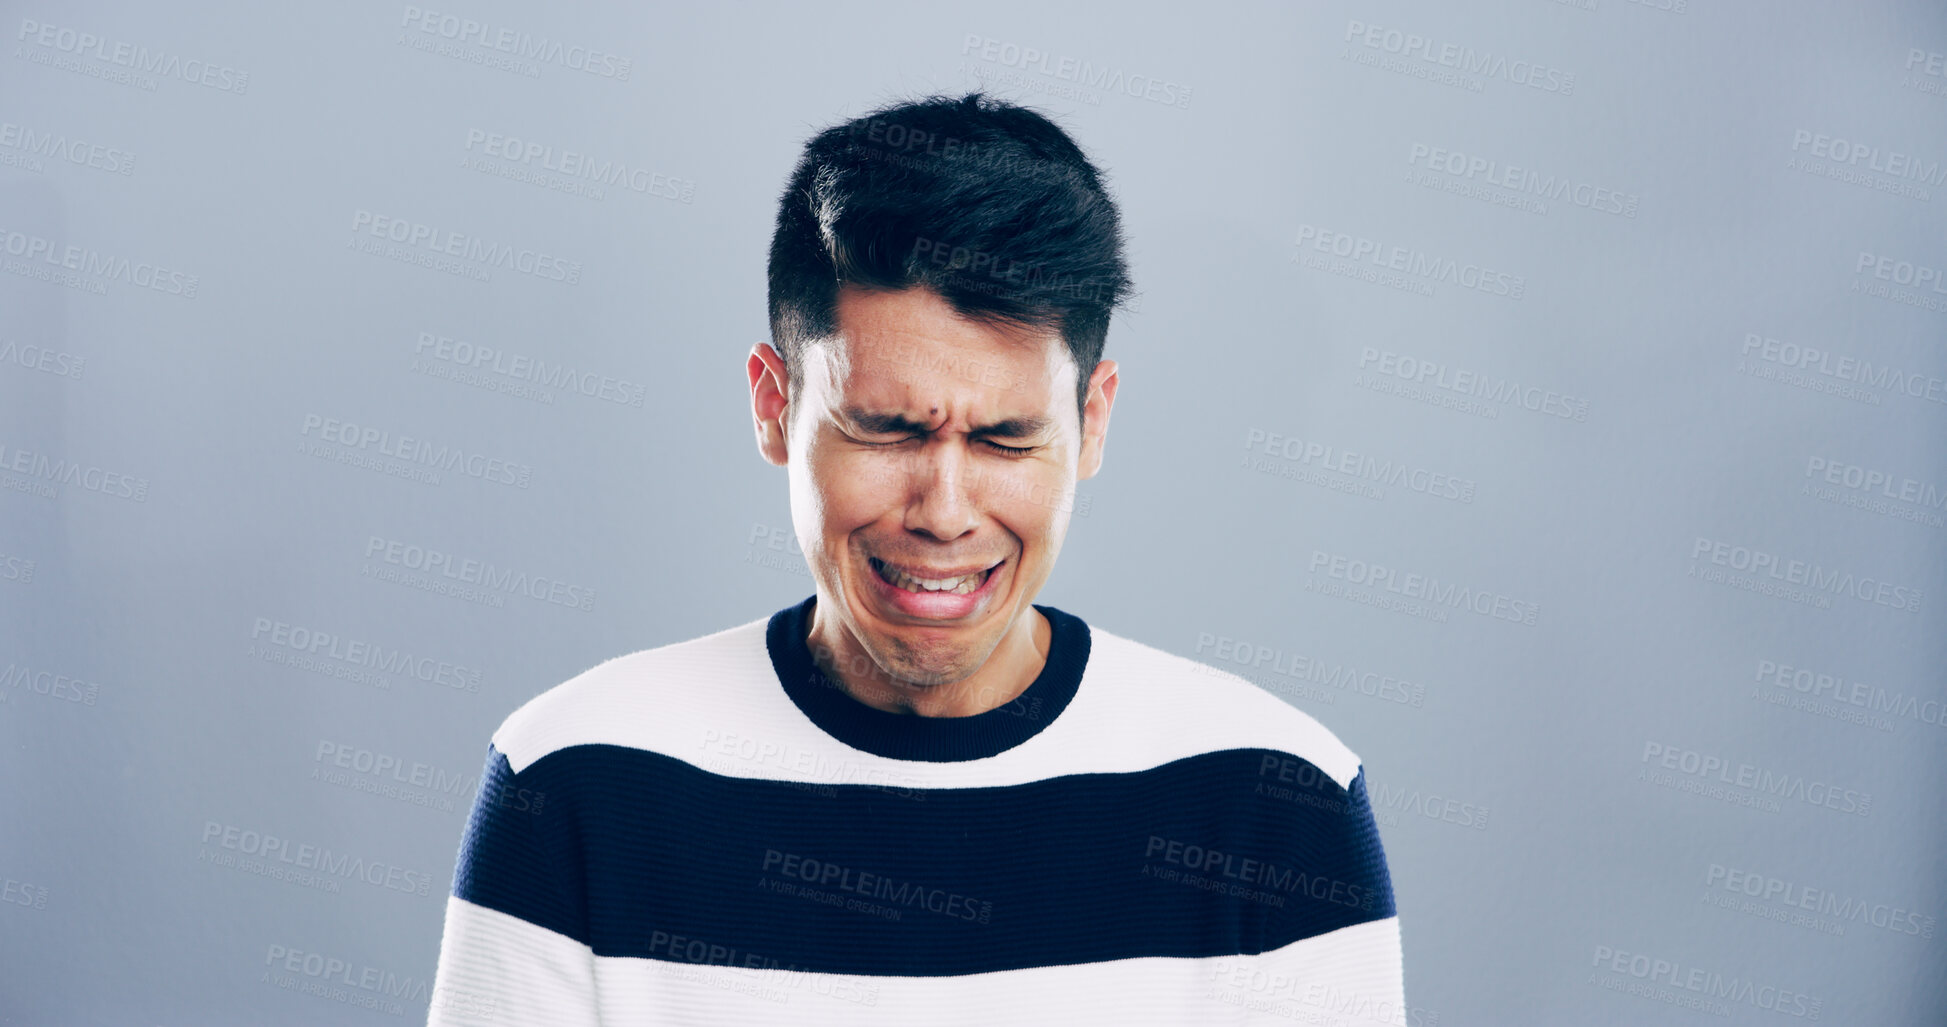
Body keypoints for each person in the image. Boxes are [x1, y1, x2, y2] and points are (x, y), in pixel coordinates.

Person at [427, 91, 1404, 1026]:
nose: (944, 513)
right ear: (773, 406)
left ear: (1093, 420)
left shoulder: (1275, 802)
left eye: (1006, 438)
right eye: (887, 429)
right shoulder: (578, 778)